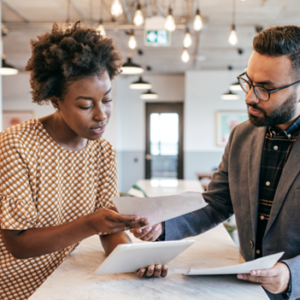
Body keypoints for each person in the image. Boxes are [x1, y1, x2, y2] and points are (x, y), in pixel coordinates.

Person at [0, 21, 167, 300]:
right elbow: (18, 244)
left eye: (108, 99)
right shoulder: (16, 145)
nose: (101, 115)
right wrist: (91, 223)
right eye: (85, 105)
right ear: (55, 100)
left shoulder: (103, 152)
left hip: (66, 281)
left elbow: (108, 229)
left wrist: (137, 259)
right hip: (16, 289)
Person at [132, 25, 300, 300]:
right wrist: (164, 228)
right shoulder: (241, 136)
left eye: (266, 89)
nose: (249, 97)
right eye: (249, 82)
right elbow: (216, 203)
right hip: (248, 290)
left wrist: (293, 275)